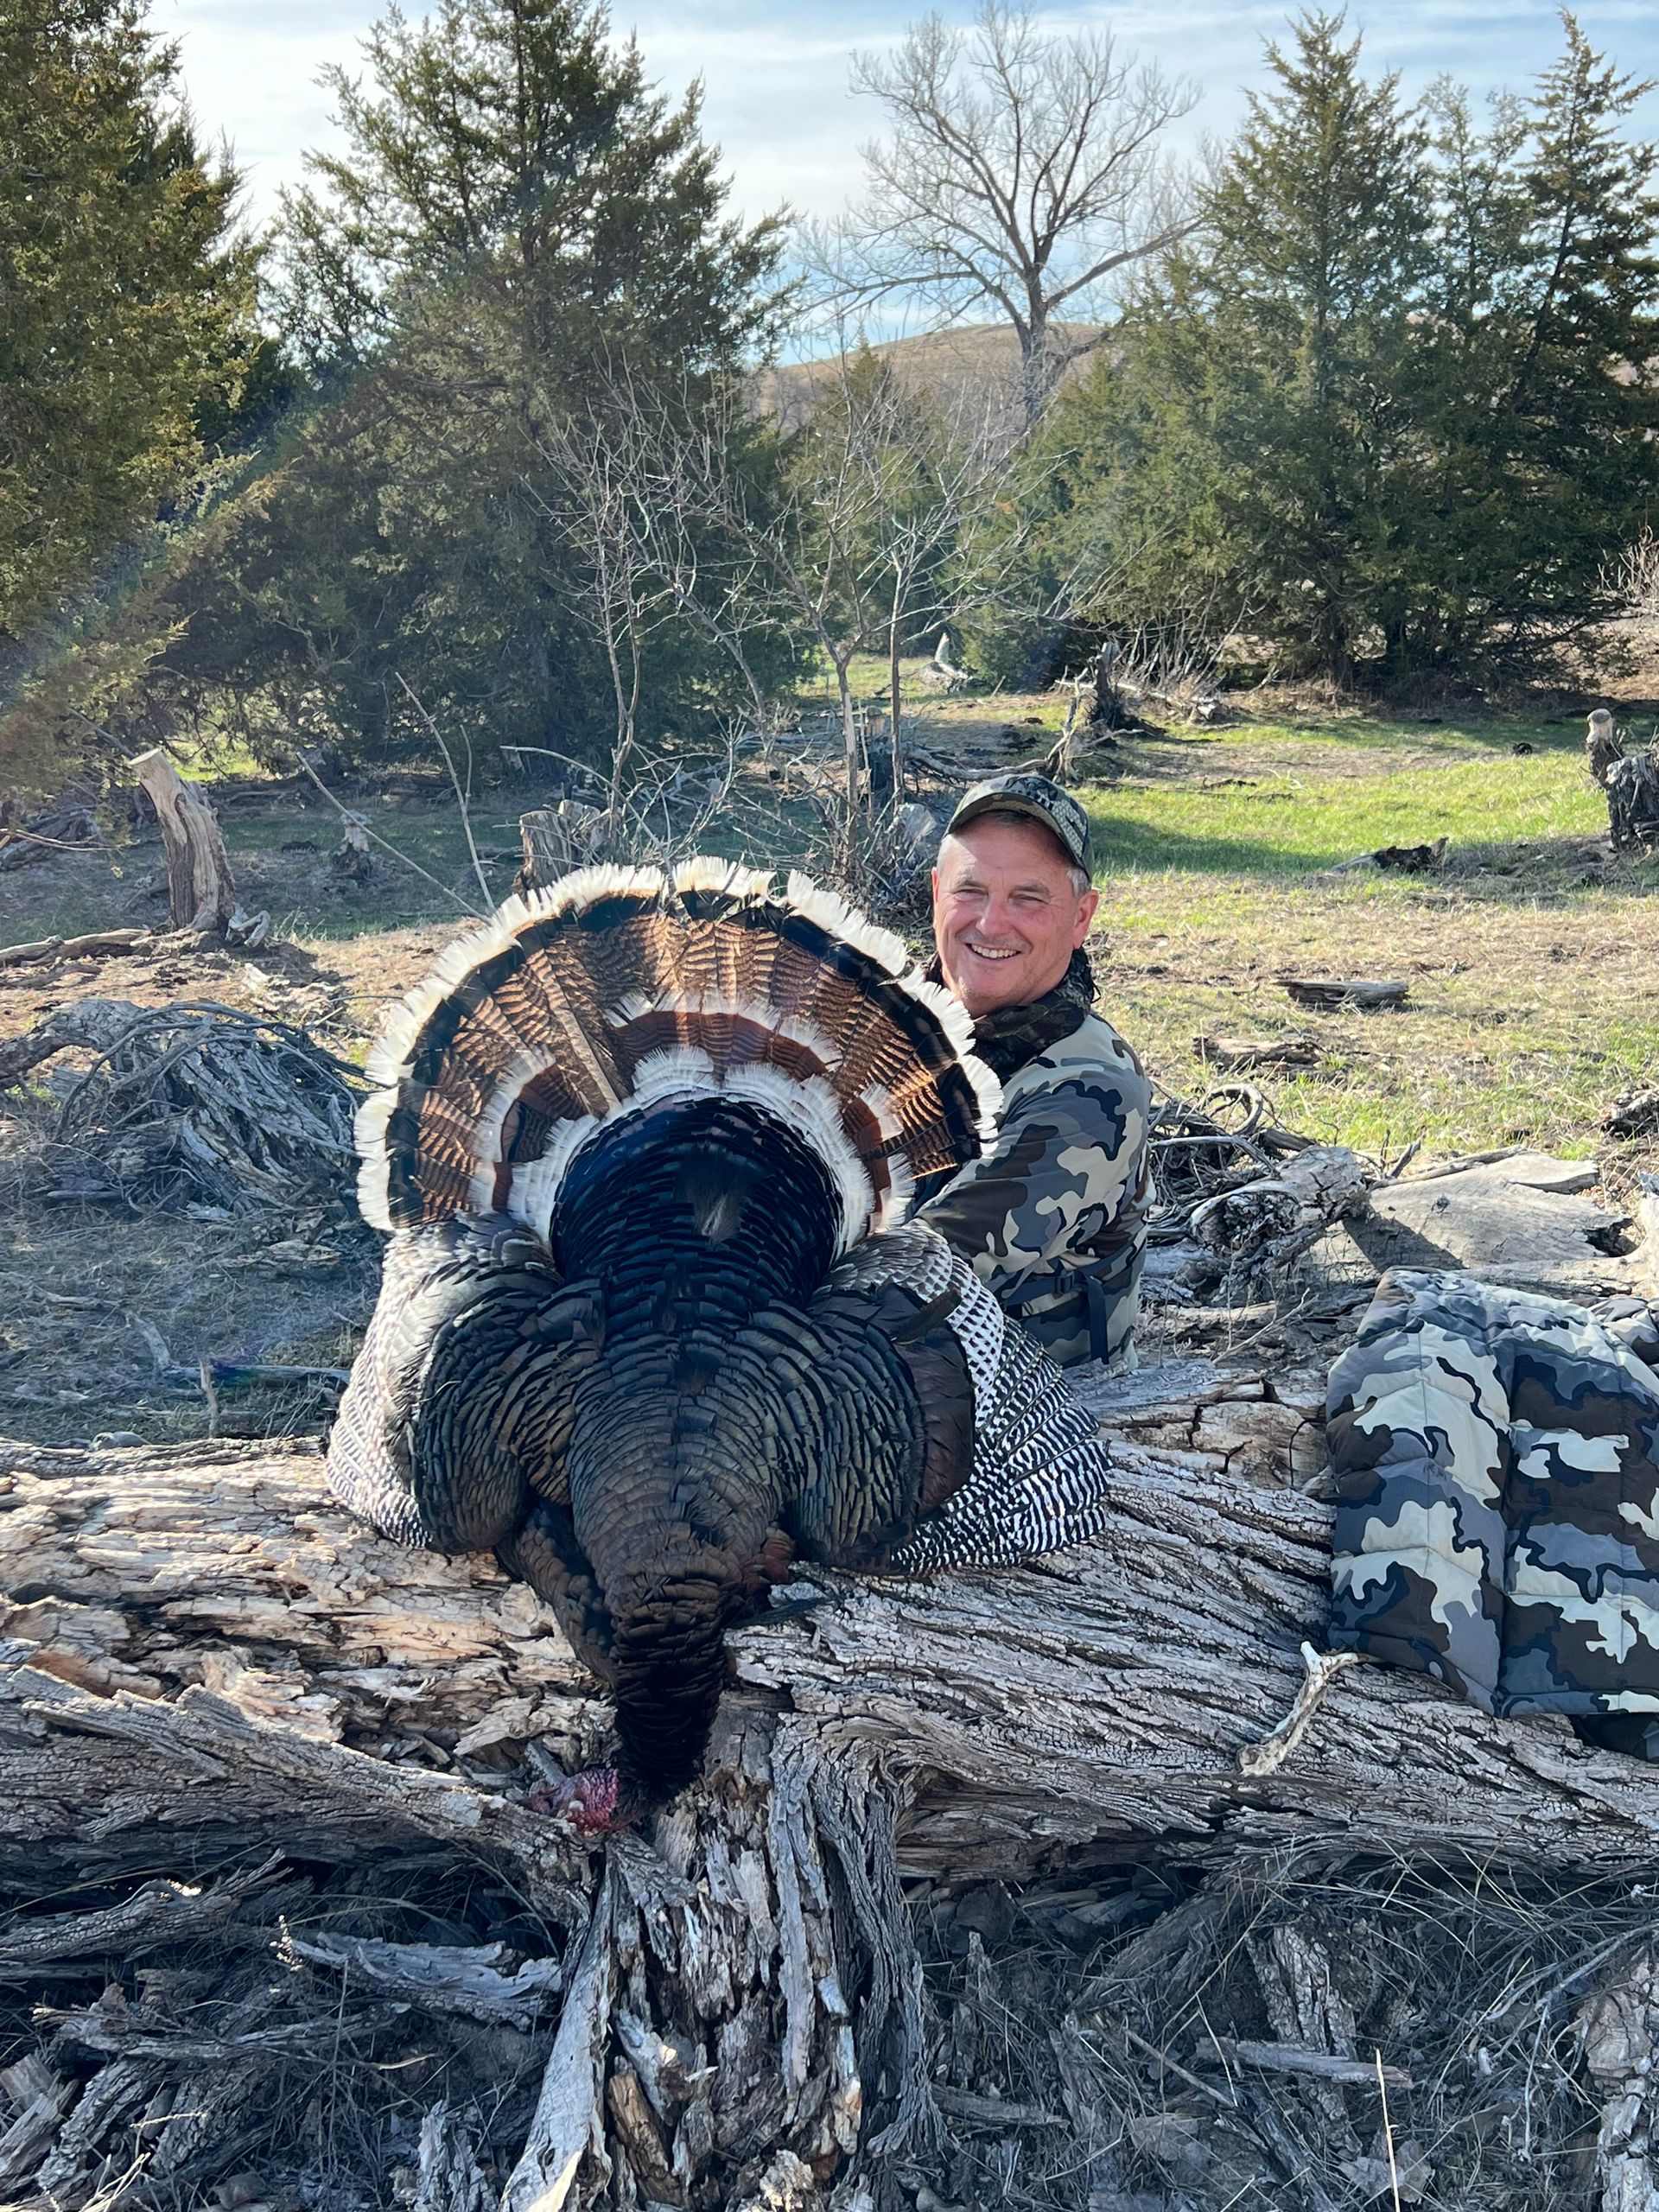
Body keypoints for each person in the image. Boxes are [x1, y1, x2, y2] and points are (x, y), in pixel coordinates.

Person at [917, 772, 1151, 1370]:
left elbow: (927, 1270)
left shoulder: (1093, 1093)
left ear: (1080, 918)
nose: (992, 925)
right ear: (937, 893)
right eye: (970, 891)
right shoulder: (884, 1025)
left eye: (1028, 898)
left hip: (1037, 1418)